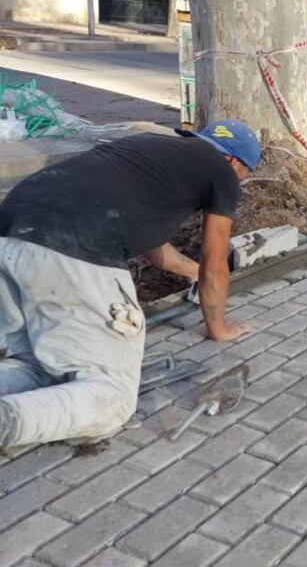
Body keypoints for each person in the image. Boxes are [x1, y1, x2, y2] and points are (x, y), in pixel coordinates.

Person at [0, 119, 261, 449]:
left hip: (9, 232)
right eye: (245, 174)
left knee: (36, 366)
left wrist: (189, 270)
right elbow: (215, 264)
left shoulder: (150, 151)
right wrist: (218, 328)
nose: (239, 182)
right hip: (68, 245)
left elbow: (154, 245)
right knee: (112, 397)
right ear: (234, 161)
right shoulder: (221, 172)